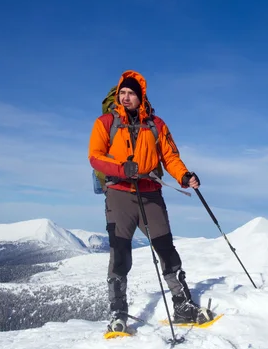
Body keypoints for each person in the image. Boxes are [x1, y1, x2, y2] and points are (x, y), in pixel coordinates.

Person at [88, 70, 214, 333]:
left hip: (150, 192)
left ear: (140, 96)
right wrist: (123, 169)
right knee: (120, 253)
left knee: (166, 248)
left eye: (130, 93)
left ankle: (182, 305)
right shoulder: (105, 122)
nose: (125, 98)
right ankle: (118, 314)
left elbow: (170, 156)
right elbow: (96, 157)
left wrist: (184, 175)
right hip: (119, 193)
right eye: (122, 93)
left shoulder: (156, 125)